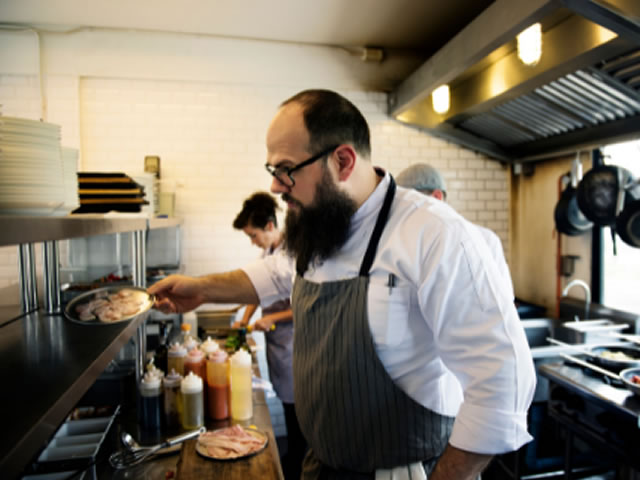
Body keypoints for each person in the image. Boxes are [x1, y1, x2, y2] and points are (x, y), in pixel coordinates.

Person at [149, 89, 536, 480]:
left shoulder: (435, 234)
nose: (277, 187)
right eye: (273, 171)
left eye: (286, 169)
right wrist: (200, 289)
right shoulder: (321, 227)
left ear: (343, 161)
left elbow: (502, 383)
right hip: (322, 467)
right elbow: (272, 274)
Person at [230, 191, 306, 479]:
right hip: (277, 344)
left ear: (271, 226)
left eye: (254, 235)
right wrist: (246, 317)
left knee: (297, 409)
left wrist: (272, 317)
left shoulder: (295, 252)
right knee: (288, 405)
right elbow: (258, 288)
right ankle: (293, 457)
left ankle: (298, 464)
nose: (253, 242)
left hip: (293, 343)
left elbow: (306, 306)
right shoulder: (269, 252)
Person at [395, 163, 515, 299]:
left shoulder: (486, 240)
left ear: (436, 197)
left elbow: (505, 298)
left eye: (412, 203)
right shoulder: (406, 245)